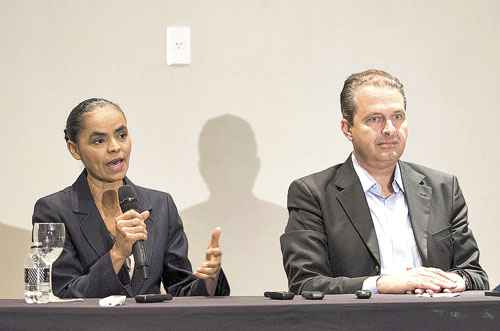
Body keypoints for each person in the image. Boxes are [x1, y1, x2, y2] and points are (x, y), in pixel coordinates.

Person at [280, 69, 488, 294]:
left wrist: (455, 281)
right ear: (347, 129)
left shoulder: (443, 189)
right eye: (375, 119)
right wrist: (381, 284)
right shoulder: (313, 194)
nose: (390, 129)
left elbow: (475, 275)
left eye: (397, 117)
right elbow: (306, 283)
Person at [32, 98, 230, 298]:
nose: (115, 147)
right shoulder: (53, 211)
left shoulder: (161, 205)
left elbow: (180, 290)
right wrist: (117, 254)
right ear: (74, 149)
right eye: (99, 140)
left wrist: (209, 281)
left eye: (122, 135)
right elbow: (62, 295)